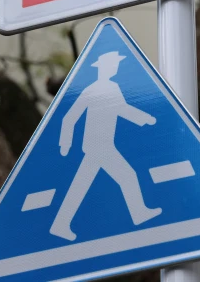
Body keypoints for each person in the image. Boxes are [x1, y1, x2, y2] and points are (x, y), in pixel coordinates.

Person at [49, 51, 161, 241]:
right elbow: (70, 116)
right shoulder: (92, 89)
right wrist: (65, 144)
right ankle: (139, 213)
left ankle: (60, 224)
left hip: (102, 144)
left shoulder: (112, 87)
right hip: (97, 145)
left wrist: (145, 118)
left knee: (82, 184)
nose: (116, 67)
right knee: (126, 176)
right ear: (104, 68)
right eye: (113, 64)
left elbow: (121, 109)